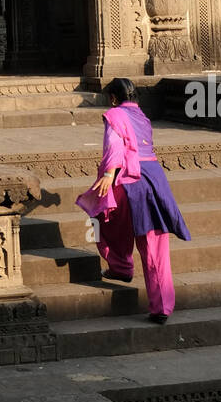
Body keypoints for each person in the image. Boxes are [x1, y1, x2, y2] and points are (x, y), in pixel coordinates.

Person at [78, 78, 191, 323]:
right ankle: (161, 306)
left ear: (113, 98)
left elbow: (114, 146)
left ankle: (121, 266)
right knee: (155, 245)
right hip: (156, 180)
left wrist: (109, 174)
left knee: (102, 218)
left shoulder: (115, 115)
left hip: (130, 181)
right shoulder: (143, 117)